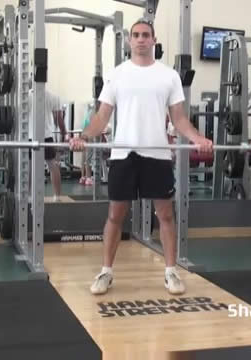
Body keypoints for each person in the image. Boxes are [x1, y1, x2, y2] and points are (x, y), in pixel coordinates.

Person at [70, 19, 213, 295]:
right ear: (129, 41)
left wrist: (198, 139)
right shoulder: (117, 75)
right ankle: (106, 272)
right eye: (135, 35)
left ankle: (171, 272)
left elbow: (179, 119)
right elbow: (101, 117)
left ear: (154, 40)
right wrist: (84, 138)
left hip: (157, 154)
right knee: (115, 215)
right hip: (123, 154)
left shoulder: (168, 76)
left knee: (166, 215)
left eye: (145, 35)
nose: (140, 39)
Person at [43, 90, 66, 202]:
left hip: (29, 137)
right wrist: (64, 133)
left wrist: (64, 134)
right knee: (52, 165)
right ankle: (57, 196)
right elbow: (59, 119)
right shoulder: (53, 96)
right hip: (46, 136)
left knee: (28, 167)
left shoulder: (26, 95)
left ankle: (28, 197)